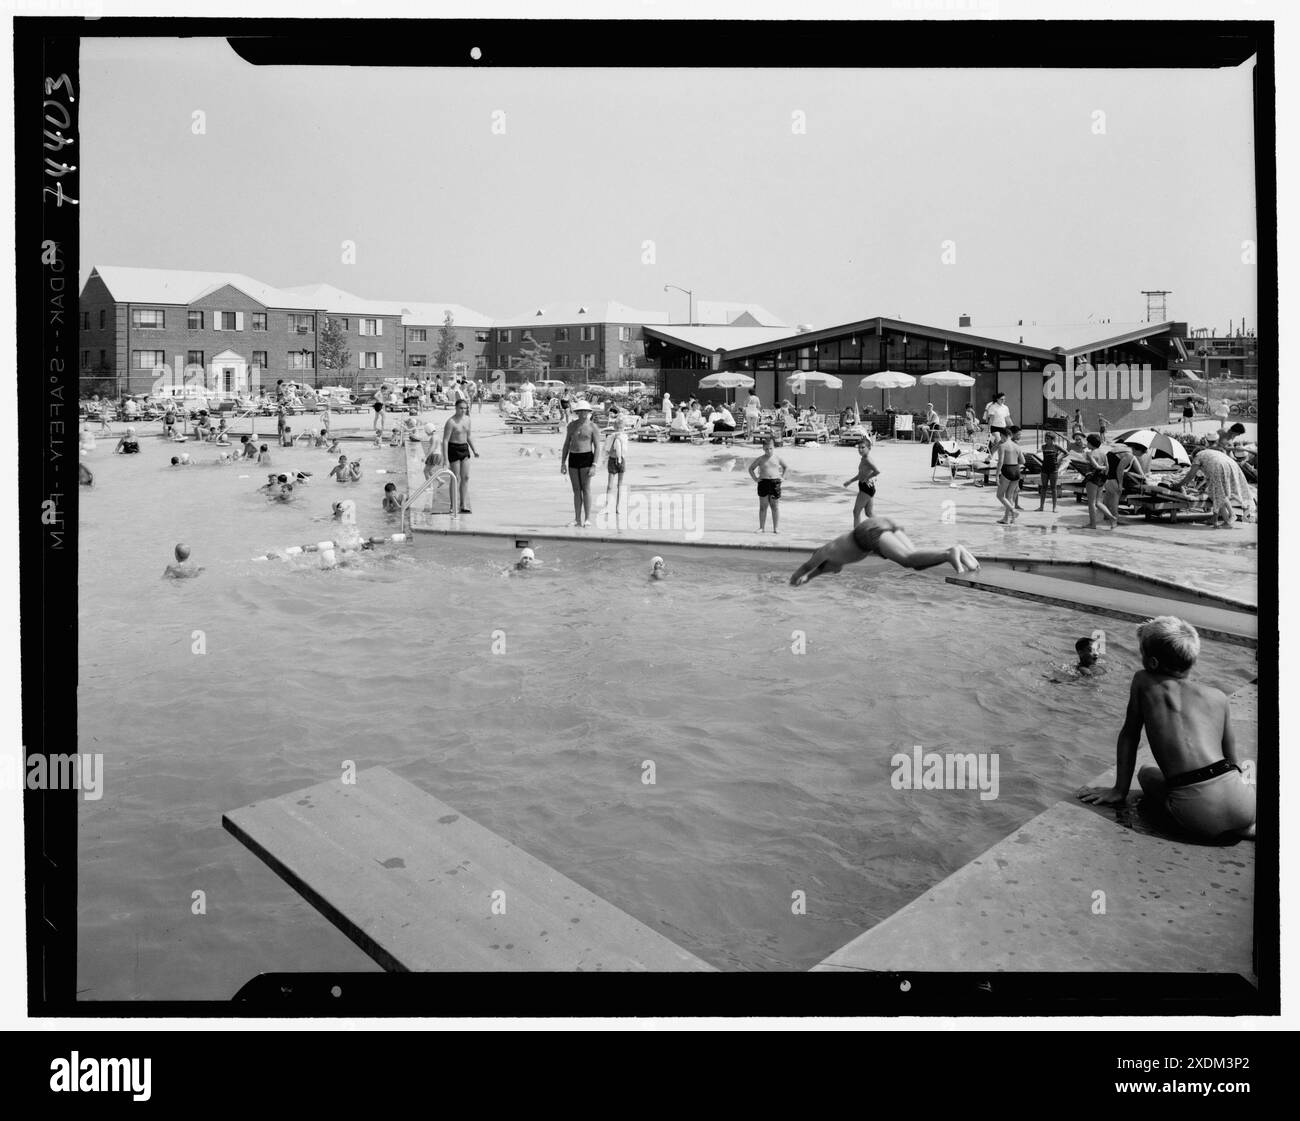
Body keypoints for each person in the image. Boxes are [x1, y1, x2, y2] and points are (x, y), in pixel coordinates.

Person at [1075, 617, 1254, 842]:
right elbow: (1233, 760)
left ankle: (1215, 819)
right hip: (1243, 801)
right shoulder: (1218, 697)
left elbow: (1130, 735)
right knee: (1223, 788)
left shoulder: (1144, 681)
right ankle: (1241, 825)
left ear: (1152, 663)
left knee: (1146, 773)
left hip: (1196, 812)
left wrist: (1119, 790)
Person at [790, 519, 980, 584]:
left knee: (907, 559)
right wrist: (807, 579)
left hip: (868, 533)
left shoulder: (826, 552)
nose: (834, 571)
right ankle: (959, 552)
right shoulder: (832, 561)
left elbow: (809, 565)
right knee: (916, 562)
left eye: (831, 570)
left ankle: (950, 554)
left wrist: (794, 578)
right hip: (879, 525)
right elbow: (816, 571)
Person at [1172, 445, 1253, 528]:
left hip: (1219, 467)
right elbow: (1208, 479)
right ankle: (1217, 519)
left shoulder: (1198, 456)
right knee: (1223, 492)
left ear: (1194, 455)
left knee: (1219, 493)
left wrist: (1179, 485)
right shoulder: (1211, 453)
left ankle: (1230, 517)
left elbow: (1190, 475)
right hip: (1232, 465)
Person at [560, 399, 601, 526]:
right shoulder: (571, 425)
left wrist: (594, 465)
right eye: (580, 411)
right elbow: (567, 444)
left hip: (587, 457)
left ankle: (587, 518)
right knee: (576, 490)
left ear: (589, 412)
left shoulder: (592, 426)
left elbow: (597, 447)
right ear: (577, 412)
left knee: (586, 488)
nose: (583, 413)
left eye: (585, 411)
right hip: (573, 458)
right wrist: (563, 462)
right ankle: (577, 519)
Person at [441, 397, 478, 514]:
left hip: (464, 448)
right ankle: (453, 505)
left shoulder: (468, 420)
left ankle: (463, 504)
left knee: (466, 477)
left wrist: (474, 449)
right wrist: (445, 459)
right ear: (456, 408)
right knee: (455, 478)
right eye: (461, 408)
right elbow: (445, 440)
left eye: (465, 408)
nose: (463, 410)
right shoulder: (451, 422)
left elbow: (469, 436)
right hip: (453, 449)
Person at [748, 436, 788, 533]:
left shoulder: (777, 458)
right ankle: (762, 527)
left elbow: (785, 467)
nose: (769, 451)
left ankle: (776, 528)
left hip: (775, 482)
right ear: (763, 449)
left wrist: (782, 477)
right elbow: (751, 469)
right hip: (763, 482)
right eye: (766, 449)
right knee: (763, 507)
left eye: (770, 448)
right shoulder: (760, 459)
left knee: (775, 506)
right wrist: (756, 479)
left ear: (774, 447)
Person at [1101, 440, 1145, 528]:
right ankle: (1114, 519)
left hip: (1106, 474)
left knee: (1108, 494)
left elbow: (1116, 463)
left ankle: (1106, 516)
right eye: (1143, 452)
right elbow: (1119, 469)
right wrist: (1120, 484)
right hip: (1112, 476)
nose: (1143, 454)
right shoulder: (1129, 454)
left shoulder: (1124, 449)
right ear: (1138, 450)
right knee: (1115, 496)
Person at [843, 437, 880, 525]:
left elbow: (877, 471)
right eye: (859, 448)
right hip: (867, 487)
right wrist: (850, 481)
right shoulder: (864, 458)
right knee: (869, 513)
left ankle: (857, 533)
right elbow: (861, 474)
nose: (860, 449)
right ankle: (882, 527)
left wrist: (868, 478)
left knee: (856, 512)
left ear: (869, 448)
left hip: (866, 488)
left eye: (863, 447)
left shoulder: (867, 459)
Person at [994, 426, 1026, 524]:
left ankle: (1013, 511)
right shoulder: (1017, 446)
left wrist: (996, 475)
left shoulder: (1002, 446)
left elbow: (1000, 461)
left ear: (1003, 435)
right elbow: (1023, 461)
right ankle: (1007, 518)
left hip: (1007, 470)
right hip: (1016, 470)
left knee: (999, 495)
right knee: (1009, 497)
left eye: (1001, 437)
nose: (1001, 439)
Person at [603, 414, 628, 523]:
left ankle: (618, 507)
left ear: (623, 428)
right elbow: (606, 449)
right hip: (612, 461)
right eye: (617, 428)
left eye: (621, 428)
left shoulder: (624, 437)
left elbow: (625, 450)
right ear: (614, 427)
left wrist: (620, 440)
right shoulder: (610, 437)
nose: (619, 430)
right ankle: (607, 506)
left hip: (621, 460)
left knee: (620, 485)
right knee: (609, 485)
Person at [1038, 431, 1062, 512]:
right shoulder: (1043, 447)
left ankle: (1054, 507)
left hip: (1053, 469)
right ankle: (1041, 507)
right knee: (1043, 487)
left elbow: (1066, 453)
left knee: (1053, 488)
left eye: (1048, 438)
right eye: (1045, 438)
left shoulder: (1056, 446)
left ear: (1052, 439)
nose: (1046, 440)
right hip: (1044, 469)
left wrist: (1059, 458)